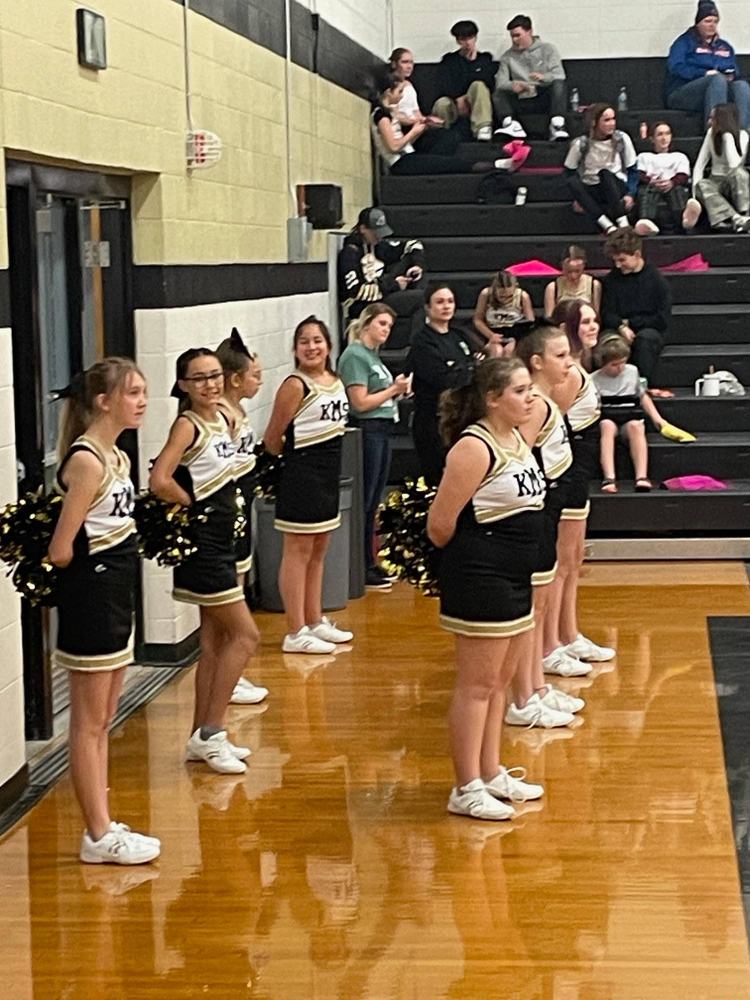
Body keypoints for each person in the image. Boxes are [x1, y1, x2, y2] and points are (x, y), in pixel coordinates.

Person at [49, 358, 160, 864]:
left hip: (115, 592)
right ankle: (96, 834)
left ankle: (103, 821)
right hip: (91, 597)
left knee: (106, 717)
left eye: (143, 391)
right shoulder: (87, 461)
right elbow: (60, 549)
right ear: (104, 400)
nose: (141, 401)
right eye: (133, 392)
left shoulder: (116, 456)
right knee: (90, 722)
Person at [427, 357, 546, 820]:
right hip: (482, 577)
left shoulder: (514, 437)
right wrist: (481, 558)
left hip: (515, 577)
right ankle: (464, 785)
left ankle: (491, 770)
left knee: (499, 684)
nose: (530, 397)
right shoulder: (472, 448)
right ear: (492, 399)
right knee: (477, 686)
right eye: (519, 390)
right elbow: (440, 526)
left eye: (529, 388)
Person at [150, 348, 260, 774]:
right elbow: (159, 479)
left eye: (214, 376)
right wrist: (191, 505)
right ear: (183, 386)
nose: (210, 384)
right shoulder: (187, 424)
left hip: (227, 542)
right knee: (246, 636)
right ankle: (212, 732)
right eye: (199, 379)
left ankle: (203, 735)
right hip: (205, 548)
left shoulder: (224, 417)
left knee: (213, 642)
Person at [505, 324, 592, 734]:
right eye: (560, 356)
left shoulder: (544, 400)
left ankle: (535, 688)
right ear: (536, 362)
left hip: (550, 505)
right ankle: (523, 697)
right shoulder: (535, 404)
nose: (569, 362)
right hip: (536, 509)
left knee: (539, 607)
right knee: (532, 609)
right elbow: (516, 456)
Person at [263, 316, 354, 654]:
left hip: (328, 475)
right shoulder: (294, 385)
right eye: (304, 341)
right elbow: (273, 438)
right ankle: (294, 629)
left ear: (329, 346)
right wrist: (295, 467)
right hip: (302, 477)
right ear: (295, 349)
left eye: (317, 340)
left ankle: (315, 620)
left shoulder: (334, 379)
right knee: (297, 553)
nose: (311, 347)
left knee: (319, 551)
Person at [549, 301, 616, 664]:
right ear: (567, 326)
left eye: (594, 319)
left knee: (574, 559)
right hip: (567, 469)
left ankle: (569, 633)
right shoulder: (570, 374)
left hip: (580, 470)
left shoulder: (580, 366)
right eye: (585, 320)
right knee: (561, 561)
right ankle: (553, 645)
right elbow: (549, 425)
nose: (593, 326)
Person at [338, 303, 411, 592]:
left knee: (374, 498)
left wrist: (396, 392)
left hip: (382, 428)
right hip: (367, 430)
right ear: (367, 323)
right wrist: (393, 391)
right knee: (366, 498)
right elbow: (359, 402)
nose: (386, 330)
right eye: (382, 323)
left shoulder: (372, 356)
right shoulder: (355, 355)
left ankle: (370, 560)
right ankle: (363, 564)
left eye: (390, 326)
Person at [215, 328, 270, 707]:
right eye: (255, 375)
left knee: (238, 584)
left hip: (242, 508)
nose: (259, 380)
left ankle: (231, 674)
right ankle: (226, 680)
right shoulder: (221, 416)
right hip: (228, 513)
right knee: (230, 600)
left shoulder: (238, 409)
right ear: (236, 379)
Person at [408, 284, 476, 486]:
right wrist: (465, 370)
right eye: (439, 302)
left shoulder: (459, 336)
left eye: (450, 301)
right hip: (433, 421)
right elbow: (443, 379)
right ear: (428, 308)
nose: (446, 306)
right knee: (439, 480)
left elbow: (475, 367)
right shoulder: (422, 341)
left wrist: (464, 369)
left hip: (461, 417)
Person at [592, 335, 678, 492]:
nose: (619, 368)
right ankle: (609, 478)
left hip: (629, 417)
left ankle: (641, 476)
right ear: (602, 363)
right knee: (607, 426)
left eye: (623, 363)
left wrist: (658, 419)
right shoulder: (594, 379)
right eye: (614, 364)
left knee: (636, 426)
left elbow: (642, 396)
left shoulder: (632, 372)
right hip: (607, 419)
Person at [338, 206, 425, 340]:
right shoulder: (350, 254)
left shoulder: (378, 247)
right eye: (375, 232)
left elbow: (414, 244)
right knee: (422, 297)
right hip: (364, 307)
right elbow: (356, 292)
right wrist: (394, 285)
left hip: (382, 294)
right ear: (362, 229)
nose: (379, 237)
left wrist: (417, 265)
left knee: (416, 273)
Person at [600, 228, 671, 386]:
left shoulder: (657, 282)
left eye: (622, 260)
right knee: (609, 343)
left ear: (637, 255)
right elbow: (606, 312)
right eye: (616, 261)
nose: (618, 265)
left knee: (645, 340)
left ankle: (641, 387)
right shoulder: (612, 280)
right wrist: (621, 327)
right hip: (619, 328)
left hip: (649, 330)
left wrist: (631, 324)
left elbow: (661, 319)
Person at [666, 1, 750, 129]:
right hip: (684, 91)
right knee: (717, 80)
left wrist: (731, 76)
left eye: (715, 22)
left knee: (742, 86)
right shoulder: (683, 42)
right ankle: (714, 132)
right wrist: (703, 74)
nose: (712, 25)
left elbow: (735, 71)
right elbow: (676, 67)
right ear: (698, 23)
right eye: (708, 21)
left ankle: (743, 134)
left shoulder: (725, 47)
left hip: (719, 89)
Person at [493, 13, 568, 142]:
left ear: (530, 32)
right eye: (512, 36)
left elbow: (559, 74)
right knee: (498, 92)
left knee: (559, 84)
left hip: (543, 95)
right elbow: (501, 82)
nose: (515, 40)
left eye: (518, 35)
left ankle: (557, 125)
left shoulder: (548, 49)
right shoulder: (507, 56)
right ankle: (510, 124)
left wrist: (544, 78)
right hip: (521, 97)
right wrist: (513, 86)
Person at [564, 104, 637, 234]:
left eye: (613, 119)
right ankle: (608, 226)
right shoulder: (581, 143)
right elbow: (569, 172)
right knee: (572, 182)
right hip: (592, 186)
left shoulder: (622, 139)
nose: (612, 123)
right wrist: (579, 198)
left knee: (605, 174)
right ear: (594, 122)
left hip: (615, 185)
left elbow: (632, 170)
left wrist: (630, 194)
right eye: (606, 120)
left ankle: (623, 224)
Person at [633, 121, 703, 236]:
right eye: (660, 134)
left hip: (673, 186)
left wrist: (671, 182)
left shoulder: (679, 156)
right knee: (646, 190)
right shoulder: (644, 156)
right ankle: (646, 222)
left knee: (678, 190)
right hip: (652, 185)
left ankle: (685, 221)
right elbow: (639, 174)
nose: (664, 138)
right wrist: (652, 181)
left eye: (667, 134)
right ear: (652, 138)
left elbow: (683, 176)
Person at [431, 20, 495, 142]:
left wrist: (473, 61)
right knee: (442, 103)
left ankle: (482, 127)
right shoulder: (450, 60)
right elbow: (444, 84)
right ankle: (442, 136)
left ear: (475, 37)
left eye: (470, 38)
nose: (467, 43)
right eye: (463, 39)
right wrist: (458, 98)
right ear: (458, 41)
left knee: (479, 85)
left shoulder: (485, 59)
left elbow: (489, 82)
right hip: (454, 103)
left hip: (477, 100)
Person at [692, 103, 750, 231]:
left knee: (741, 173)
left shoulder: (743, 136)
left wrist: (727, 137)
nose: (709, 122)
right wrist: (695, 194)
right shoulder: (710, 134)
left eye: (713, 118)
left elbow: (734, 164)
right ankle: (736, 218)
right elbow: (699, 164)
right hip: (716, 181)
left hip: (735, 184)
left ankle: (745, 214)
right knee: (701, 185)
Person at [472, 269, 535, 353]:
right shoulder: (486, 294)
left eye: (510, 296)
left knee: (509, 351)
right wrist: (491, 335)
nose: (506, 300)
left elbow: (530, 322)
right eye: (502, 296)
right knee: (497, 351)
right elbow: (478, 320)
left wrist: (518, 338)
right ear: (495, 289)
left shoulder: (522, 296)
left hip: (515, 333)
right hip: (493, 331)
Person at [543, 245, 602, 316]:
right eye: (569, 271)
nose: (573, 276)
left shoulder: (594, 285)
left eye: (577, 271)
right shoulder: (553, 287)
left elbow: (596, 316)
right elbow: (549, 318)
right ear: (562, 267)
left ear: (583, 266)